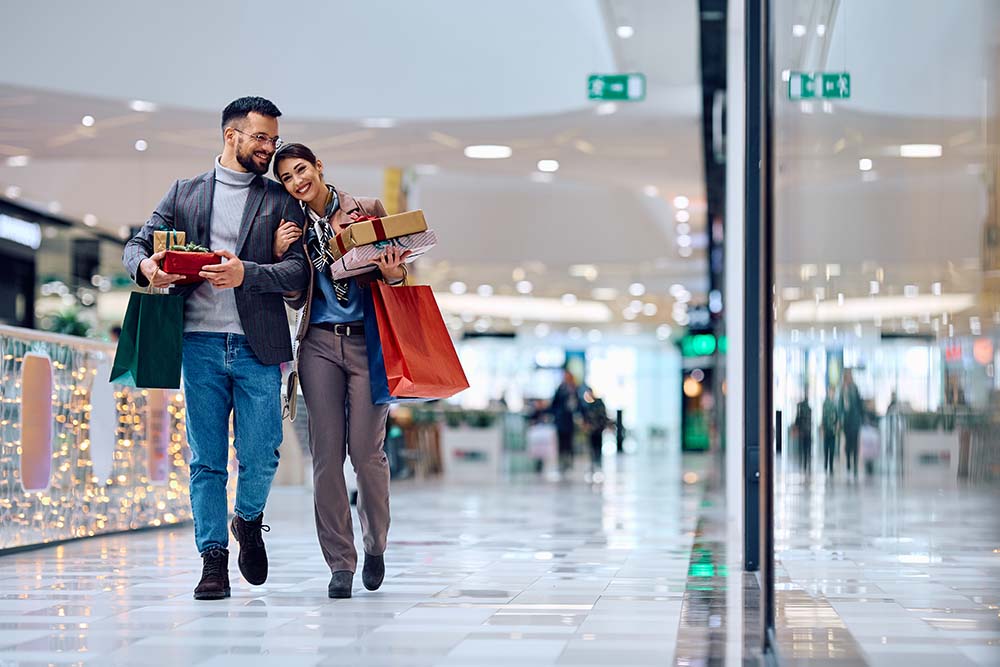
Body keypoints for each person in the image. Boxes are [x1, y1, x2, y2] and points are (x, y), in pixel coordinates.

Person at [123, 97, 308, 600]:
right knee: (206, 461)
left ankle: (247, 520)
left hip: (259, 344)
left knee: (263, 453)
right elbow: (136, 246)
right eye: (261, 138)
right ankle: (212, 559)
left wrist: (248, 271)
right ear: (232, 136)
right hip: (198, 343)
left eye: (273, 139)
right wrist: (148, 268)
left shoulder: (280, 200)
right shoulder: (185, 193)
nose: (270, 148)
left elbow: (298, 274)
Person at [271, 143, 409, 599]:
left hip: (368, 343)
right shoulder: (290, 228)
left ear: (318, 168)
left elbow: (398, 277)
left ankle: (375, 544)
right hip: (318, 345)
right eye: (287, 178)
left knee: (367, 455)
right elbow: (293, 298)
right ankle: (340, 563)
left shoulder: (364, 209)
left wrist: (392, 274)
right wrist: (279, 255)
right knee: (327, 458)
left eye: (301, 170)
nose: (296, 181)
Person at [549, 368, 580, 474]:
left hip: (570, 420)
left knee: (569, 442)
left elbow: (578, 405)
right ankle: (561, 462)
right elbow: (554, 404)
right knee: (561, 442)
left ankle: (569, 462)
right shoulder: (560, 388)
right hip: (560, 420)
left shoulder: (574, 389)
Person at [840, 369, 863, 479]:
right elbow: (840, 407)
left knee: (855, 444)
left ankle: (855, 467)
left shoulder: (855, 388)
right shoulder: (843, 390)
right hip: (847, 422)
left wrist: (861, 418)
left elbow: (860, 404)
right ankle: (849, 464)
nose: (848, 377)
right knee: (848, 444)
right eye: (847, 375)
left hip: (855, 422)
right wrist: (840, 420)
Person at [581, 388, 610, 472]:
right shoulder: (587, 405)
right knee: (592, 445)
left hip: (598, 428)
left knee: (598, 444)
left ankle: (599, 460)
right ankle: (593, 461)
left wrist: (602, 425)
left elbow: (603, 415)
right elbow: (585, 417)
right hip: (591, 429)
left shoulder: (599, 403)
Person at [821, 384, 839, 476]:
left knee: (832, 449)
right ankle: (825, 466)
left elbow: (837, 417)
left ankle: (831, 467)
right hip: (827, 430)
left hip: (832, 431)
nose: (832, 393)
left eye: (833, 392)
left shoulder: (835, 404)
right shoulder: (825, 403)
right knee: (826, 449)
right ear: (828, 392)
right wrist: (823, 428)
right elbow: (823, 417)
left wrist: (837, 427)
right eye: (831, 391)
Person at [794, 390, 812, 473]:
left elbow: (798, 420)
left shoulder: (806, 408)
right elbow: (798, 420)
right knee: (806, 449)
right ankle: (805, 463)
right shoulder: (806, 408)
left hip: (805, 432)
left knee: (805, 449)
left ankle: (805, 463)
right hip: (805, 432)